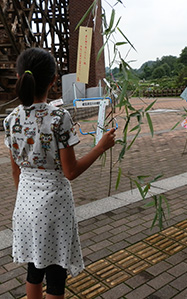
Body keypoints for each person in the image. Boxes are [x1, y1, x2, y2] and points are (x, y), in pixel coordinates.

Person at [3, 47, 116, 299]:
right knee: (55, 274)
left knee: (34, 268)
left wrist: (29, 196)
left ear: (21, 77)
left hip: (25, 204)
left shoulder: (11, 120)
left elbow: (15, 171)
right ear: (54, 80)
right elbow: (71, 171)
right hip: (54, 205)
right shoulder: (59, 118)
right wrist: (100, 147)